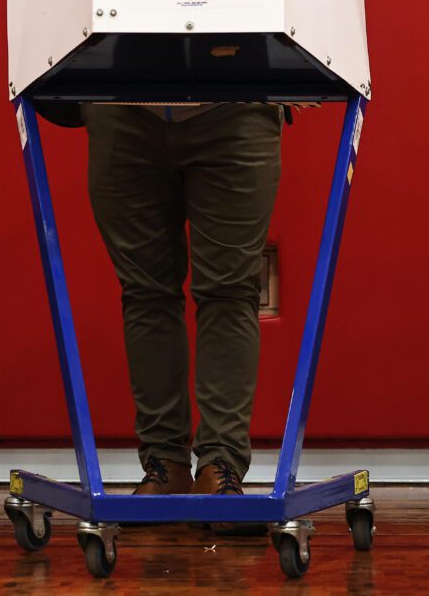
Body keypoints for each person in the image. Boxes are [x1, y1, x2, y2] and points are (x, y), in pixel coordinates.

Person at [80, 101, 283, 531]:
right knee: (145, 293)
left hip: (236, 104)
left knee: (229, 292)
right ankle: (164, 465)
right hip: (121, 106)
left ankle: (220, 467)